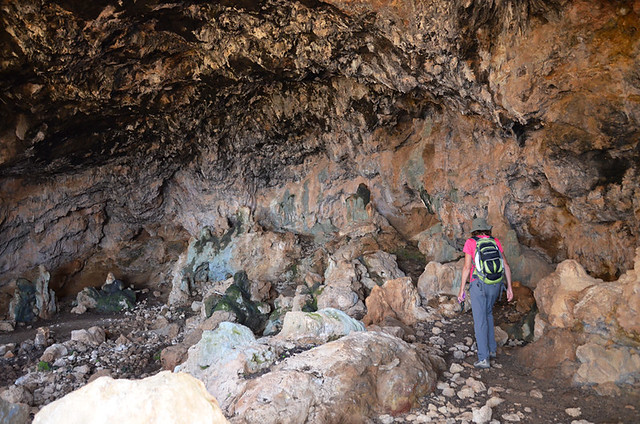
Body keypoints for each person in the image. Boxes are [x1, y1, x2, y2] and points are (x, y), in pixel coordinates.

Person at [457, 217, 513, 369]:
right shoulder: (495, 241)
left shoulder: (471, 242)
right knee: (488, 314)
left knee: (480, 320)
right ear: (487, 229)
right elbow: (506, 265)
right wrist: (509, 288)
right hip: (495, 284)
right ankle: (492, 350)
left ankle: (483, 358)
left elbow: (467, 268)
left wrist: (462, 290)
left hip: (479, 285)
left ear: (474, 230)